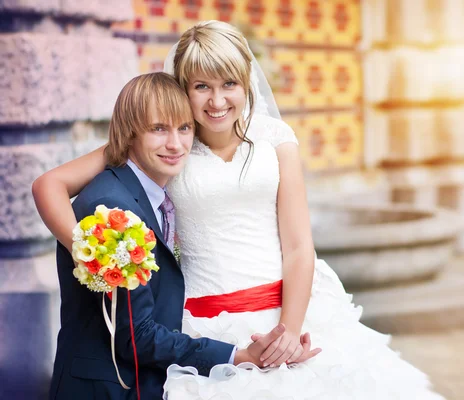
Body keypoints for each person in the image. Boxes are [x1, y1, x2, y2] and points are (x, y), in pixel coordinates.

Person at [33, 21, 444, 399]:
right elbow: (50, 184)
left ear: (246, 82)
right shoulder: (168, 142)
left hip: (287, 310)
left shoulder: (275, 139)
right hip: (204, 317)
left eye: (229, 83)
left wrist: (289, 330)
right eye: (200, 87)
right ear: (183, 89)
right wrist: (96, 255)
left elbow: (299, 246)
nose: (216, 101)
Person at [35, 72, 318, 400]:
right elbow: (137, 338)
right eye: (158, 129)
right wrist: (239, 357)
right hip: (105, 389)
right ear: (130, 133)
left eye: (184, 128)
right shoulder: (113, 212)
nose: (175, 144)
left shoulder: (151, 194)